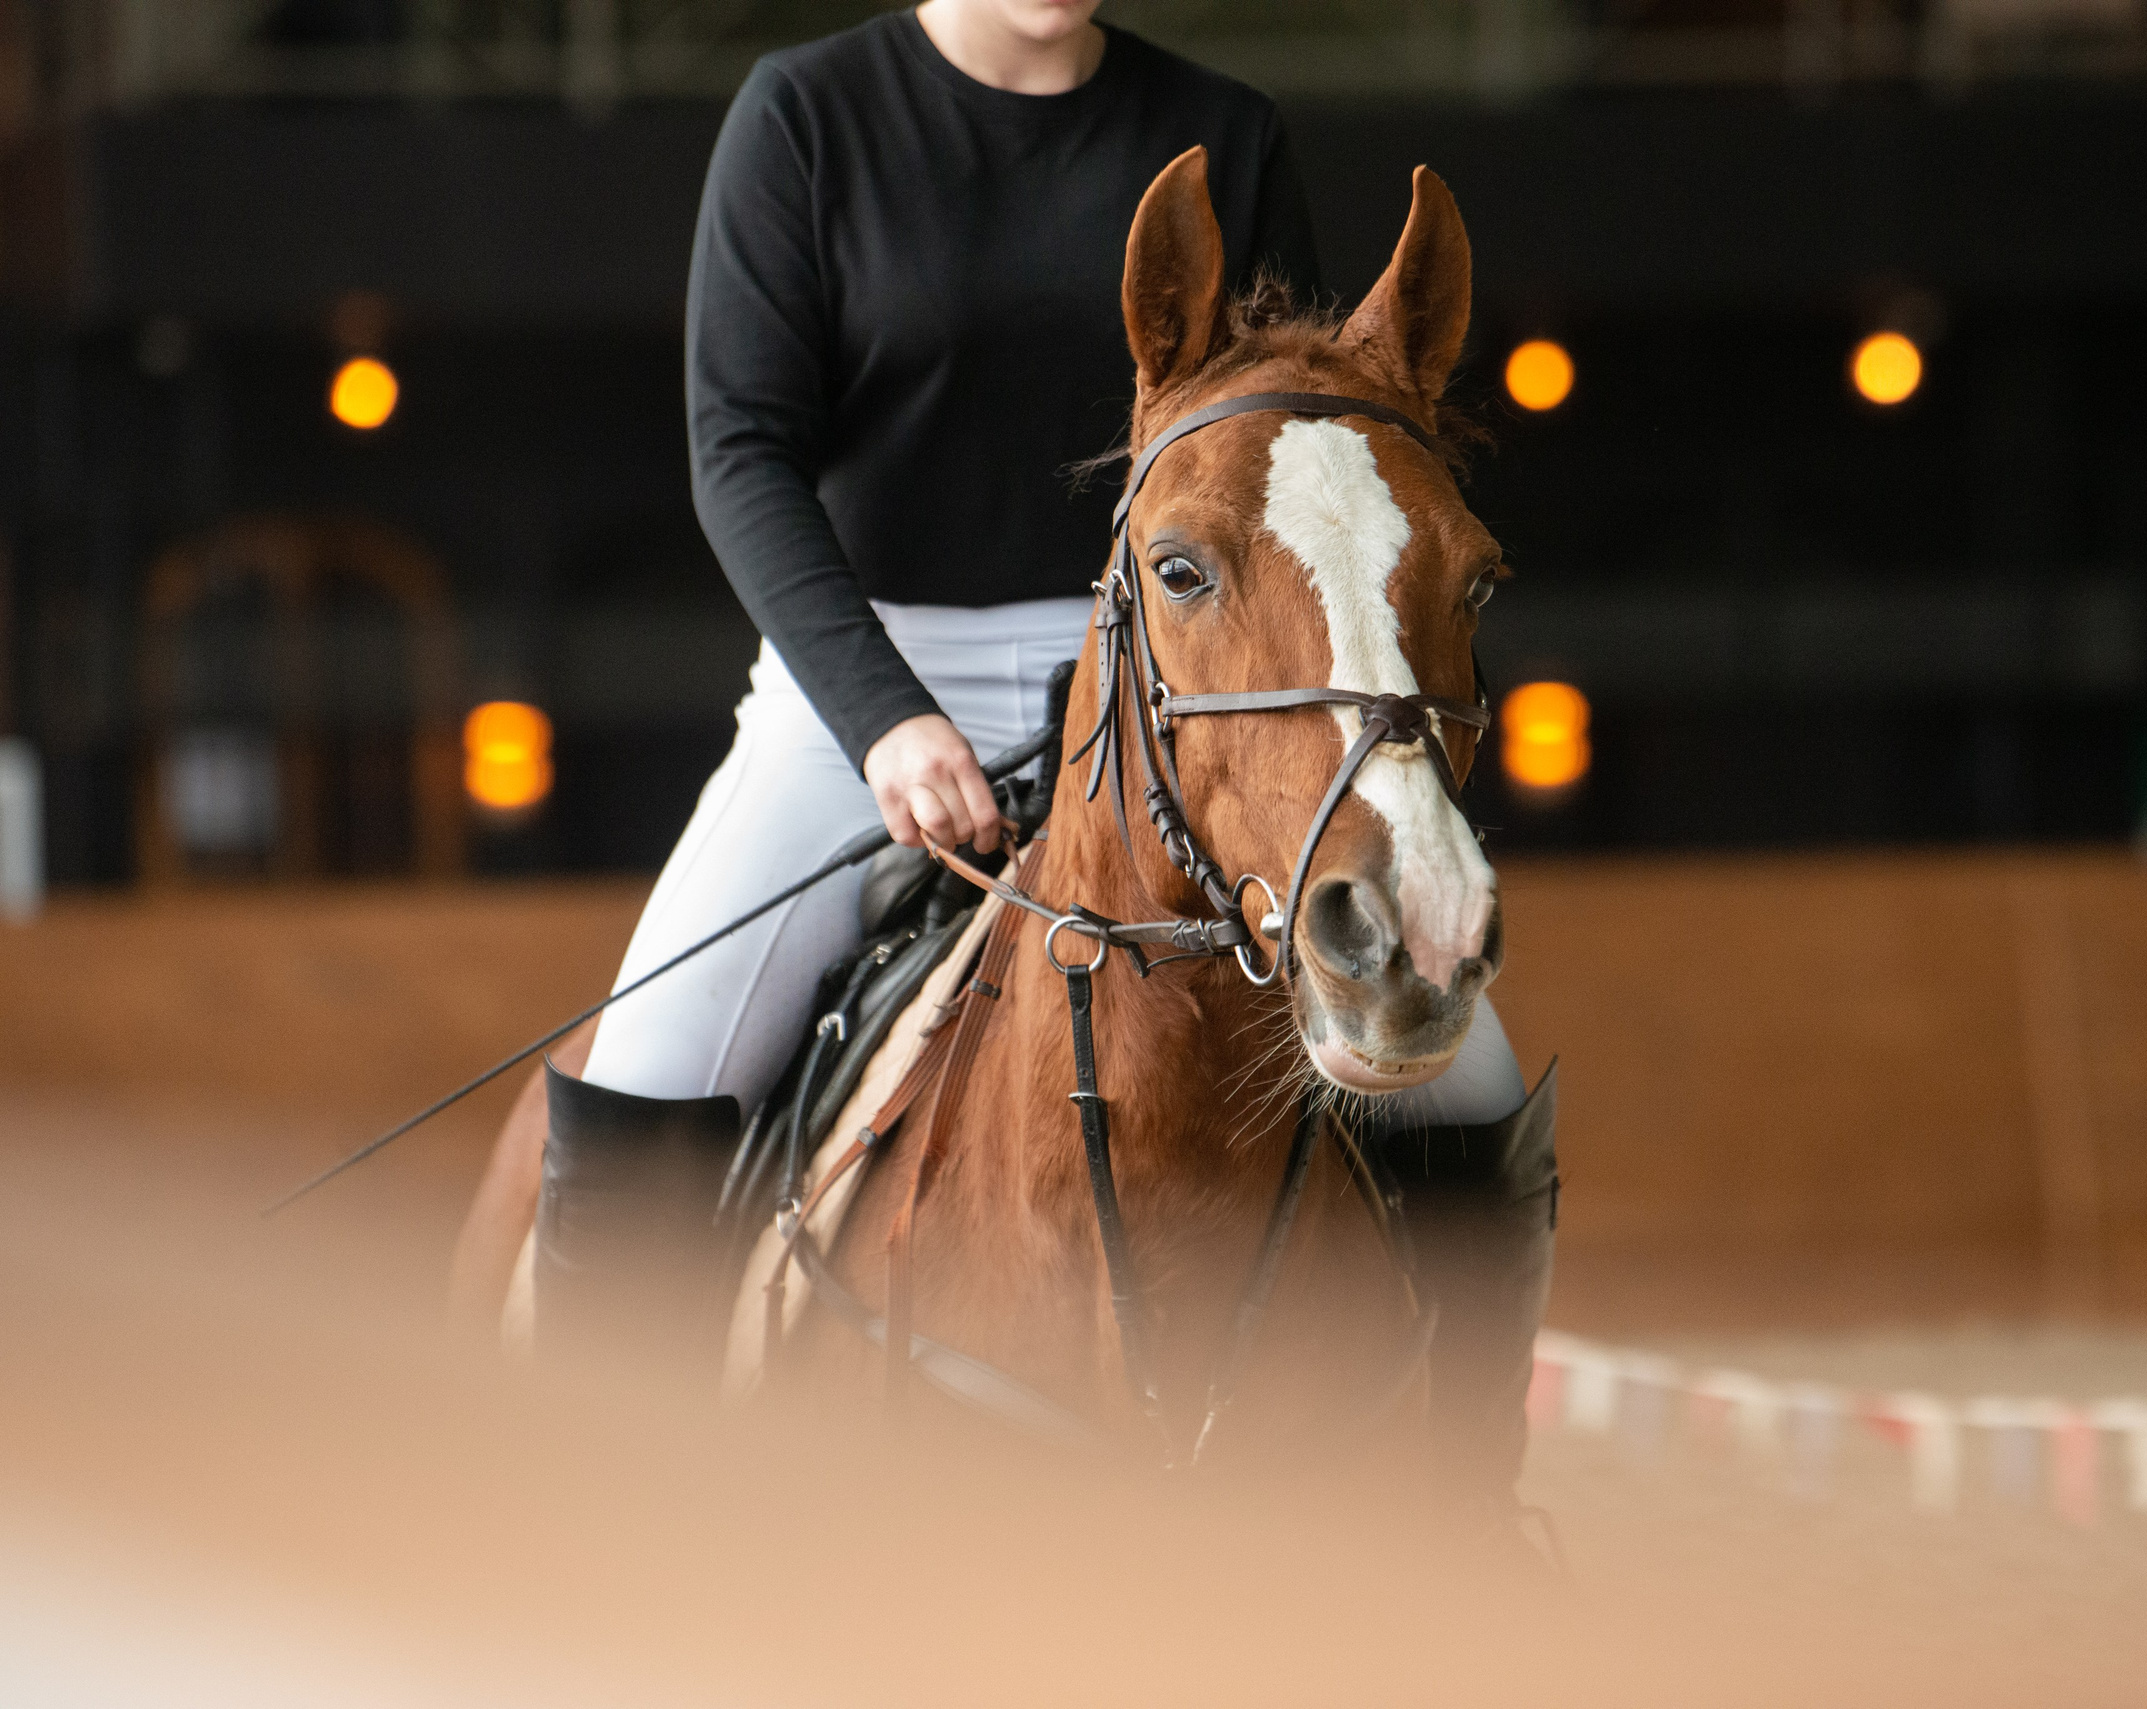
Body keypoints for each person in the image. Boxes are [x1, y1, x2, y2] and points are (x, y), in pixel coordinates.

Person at [537, 2, 1547, 1521]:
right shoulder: (806, 120)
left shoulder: (1227, 126)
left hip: (1175, 658)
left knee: (1474, 1085)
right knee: (653, 1062)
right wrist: (879, 712)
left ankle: (1474, 1511)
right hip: (865, 678)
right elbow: (737, 446)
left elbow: (1288, 458)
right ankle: (597, 1532)